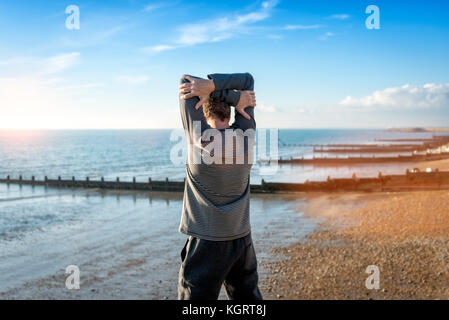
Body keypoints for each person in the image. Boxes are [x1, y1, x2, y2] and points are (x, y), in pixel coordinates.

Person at [177, 73, 262, 300]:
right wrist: (226, 92)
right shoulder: (247, 136)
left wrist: (216, 92)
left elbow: (187, 83)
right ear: (232, 109)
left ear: (203, 111)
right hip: (241, 238)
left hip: (206, 241)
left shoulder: (199, 138)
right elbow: (248, 80)